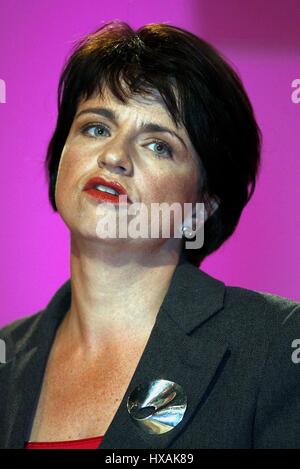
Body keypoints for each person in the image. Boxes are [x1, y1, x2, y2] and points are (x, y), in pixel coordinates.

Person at [0, 19, 299, 450]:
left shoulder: (278, 345)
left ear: (203, 205)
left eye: (159, 144)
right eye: (96, 128)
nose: (114, 155)